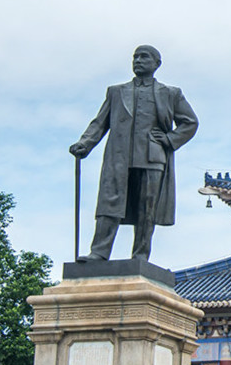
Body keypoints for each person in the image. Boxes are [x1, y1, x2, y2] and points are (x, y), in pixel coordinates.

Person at [70, 45, 198, 261]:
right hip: (119, 156)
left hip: (152, 156)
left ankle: (140, 255)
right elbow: (100, 123)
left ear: (156, 64)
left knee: (146, 208)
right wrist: (85, 143)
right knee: (109, 202)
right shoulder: (116, 92)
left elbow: (190, 122)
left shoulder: (171, 93)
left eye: (144, 57)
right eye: (135, 57)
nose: (138, 60)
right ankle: (99, 252)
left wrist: (168, 139)